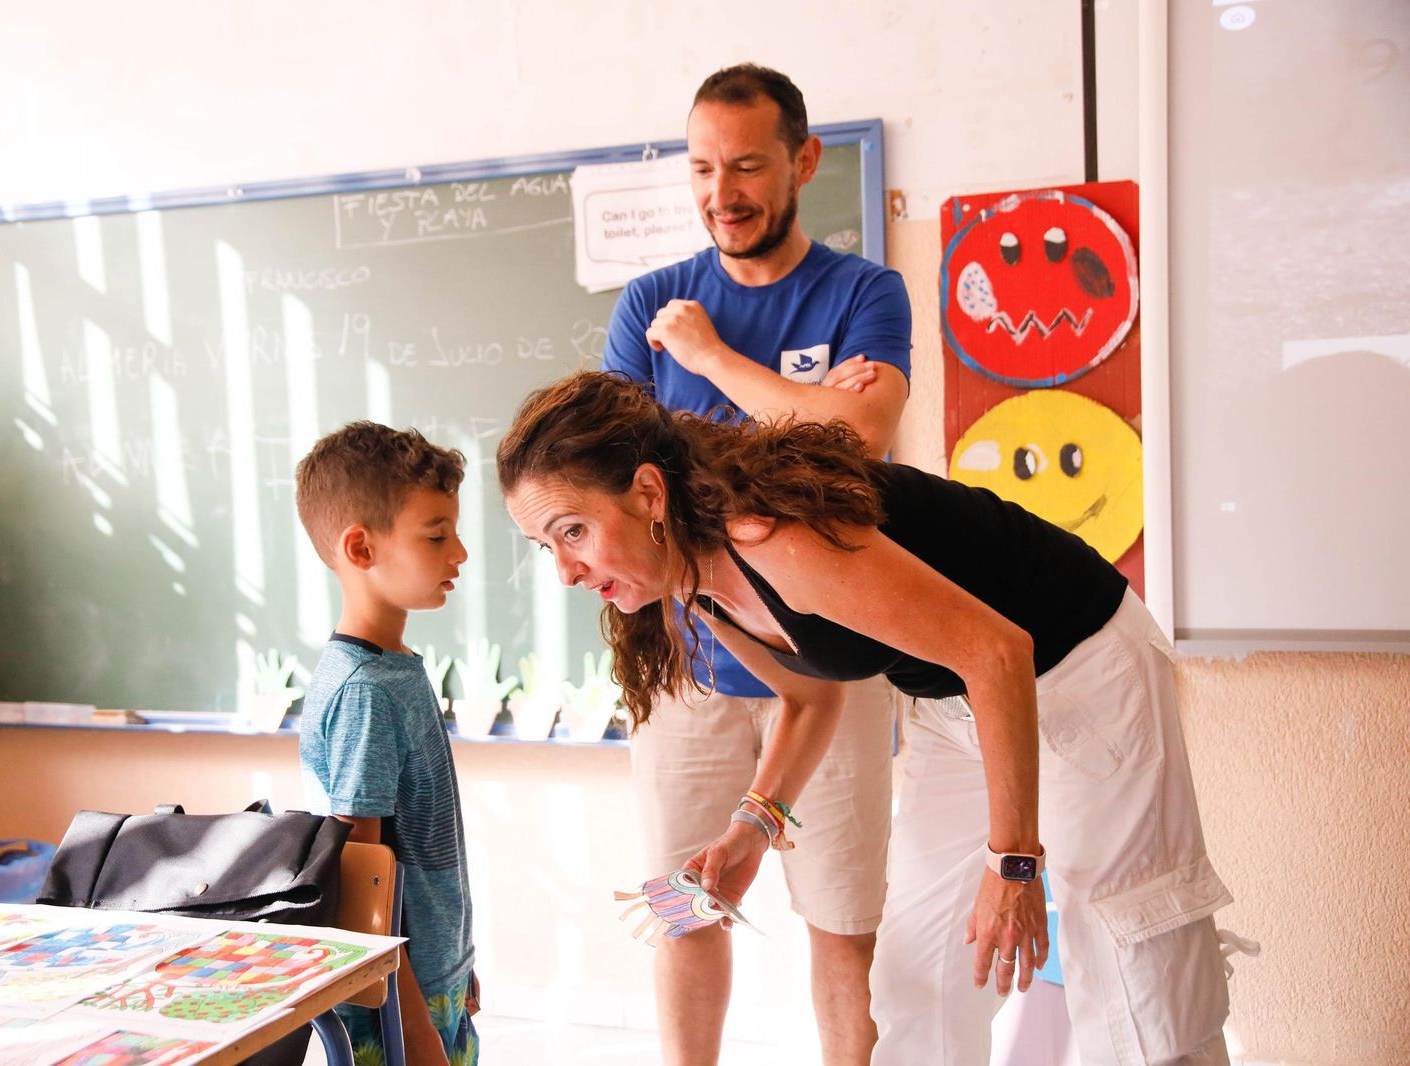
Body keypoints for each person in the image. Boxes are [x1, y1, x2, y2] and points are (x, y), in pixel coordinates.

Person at [498, 371, 1236, 1066]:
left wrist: (1013, 862)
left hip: (1082, 669)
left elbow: (998, 652)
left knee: (1129, 956)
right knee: (917, 967)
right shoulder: (694, 576)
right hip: (957, 700)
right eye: (545, 546)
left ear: (648, 494)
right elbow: (810, 697)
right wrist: (752, 830)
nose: (564, 572)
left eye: (572, 532)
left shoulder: (772, 539)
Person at [601, 63, 911, 1066]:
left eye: (744, 166)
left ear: (802, 162)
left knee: (842, 920)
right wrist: (798, 411)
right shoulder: (648, 300)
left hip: (836, 657)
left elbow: (856, 440)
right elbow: (616, 482)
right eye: (700, 167)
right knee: (683, 905)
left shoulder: (864, 291)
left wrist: (714, 365)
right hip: (684, 666)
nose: (719, 193)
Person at [295, 423, 479, 1066]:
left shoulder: (395, 668)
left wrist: (455, 970)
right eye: (436, 535)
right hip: (394, 1001)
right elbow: (359, 877)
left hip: (430, 979)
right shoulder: (366, 688)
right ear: (360, 547)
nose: (458, 553)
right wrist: (413, 1018)